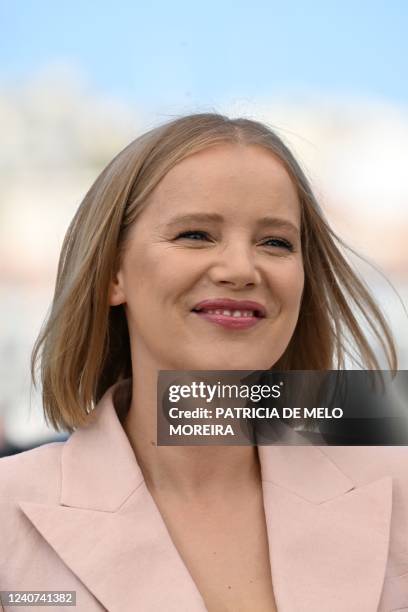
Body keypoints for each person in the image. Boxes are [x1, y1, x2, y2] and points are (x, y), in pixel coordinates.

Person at [0, 113, 406, 612]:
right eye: (195, 234)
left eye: (275, 242)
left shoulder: (398, 489)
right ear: (112, 274)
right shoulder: (9, 513)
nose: (240, 268)